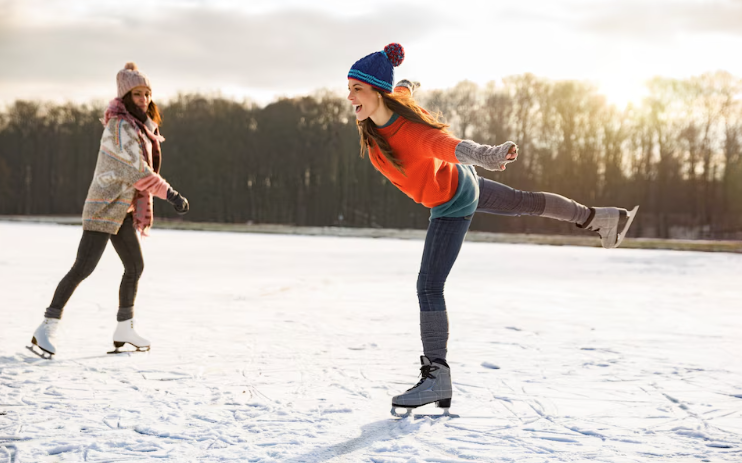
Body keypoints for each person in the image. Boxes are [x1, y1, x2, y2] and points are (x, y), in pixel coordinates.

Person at [346, 44, 638, 416]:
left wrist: (487, 155)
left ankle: (437, 375)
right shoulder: (385, 112)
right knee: (524, 202)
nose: (351, 97)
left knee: (429, 286)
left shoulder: (411, 132)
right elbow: (402, 89)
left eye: (357, 89)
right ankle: (601, 218)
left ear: (375, 91)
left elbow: (449, 146)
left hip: (452, 197)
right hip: (462, 183)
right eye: (349, 89)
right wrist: (406, 81)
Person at [28, 62, 190, 359]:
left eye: (147, 93)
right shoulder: (119, 127)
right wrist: (171, 194)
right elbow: (136, 171)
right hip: (104, 207)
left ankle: (124, 328)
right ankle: (46, 327)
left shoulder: (141, 127)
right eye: (137, 93)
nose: (144, 99)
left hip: (123, 209)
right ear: (125, 97)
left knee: (134, 266)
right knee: (83, 267)